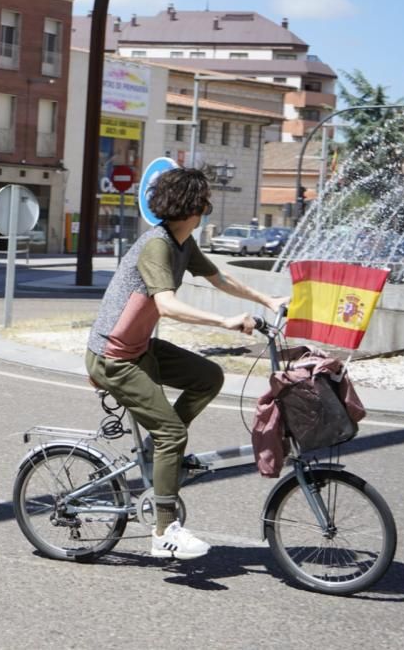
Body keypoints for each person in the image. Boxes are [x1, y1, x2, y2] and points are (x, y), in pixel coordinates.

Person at [85, 167, 287, 560]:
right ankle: (163, 532)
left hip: (139, 349)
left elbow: (219, 278)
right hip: (112, 358)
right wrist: (224, 321)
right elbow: (167, 305)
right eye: (205, 201)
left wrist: (268, 301)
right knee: (172, 433)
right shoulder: (156, 246)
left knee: (208, 376)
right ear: (194, 207)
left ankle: (161, 451)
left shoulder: (182, 242)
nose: (207, 206)